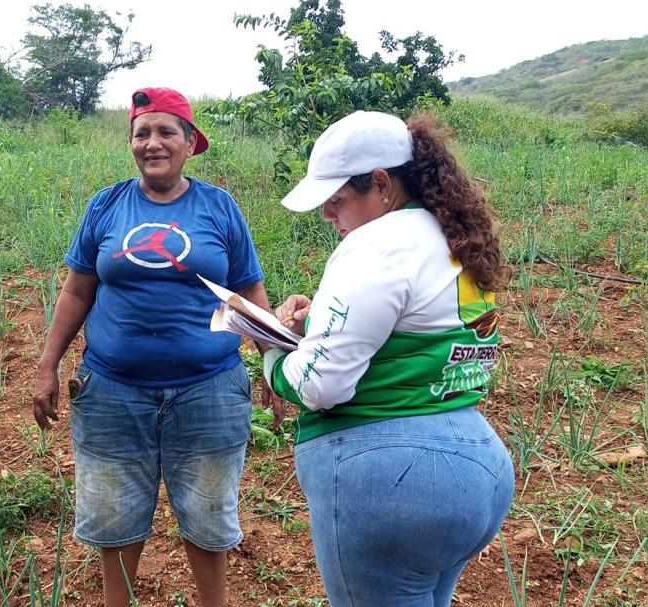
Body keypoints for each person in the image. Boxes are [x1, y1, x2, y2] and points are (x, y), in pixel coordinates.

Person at [32, 87, 277, 607]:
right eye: (142, 133)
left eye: (167, 131)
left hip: (208, 390)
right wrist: (47, 365)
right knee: (115, 523)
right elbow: (78, 289)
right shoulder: (107, 205)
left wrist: (274, 361)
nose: (153, 143)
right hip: (112, 393)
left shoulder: (219, 206)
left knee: (209, 521)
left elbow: (248, 292)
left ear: (190, 142)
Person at [262, 111, 515, 607]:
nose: (328, 216)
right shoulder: (448, 234)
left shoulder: (374, 247)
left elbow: (320, 386)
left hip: (392, 483)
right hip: (476, 465)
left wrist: (272, 351)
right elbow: (411, 326)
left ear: (380, 183)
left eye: (336, 201)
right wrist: (319, 324)